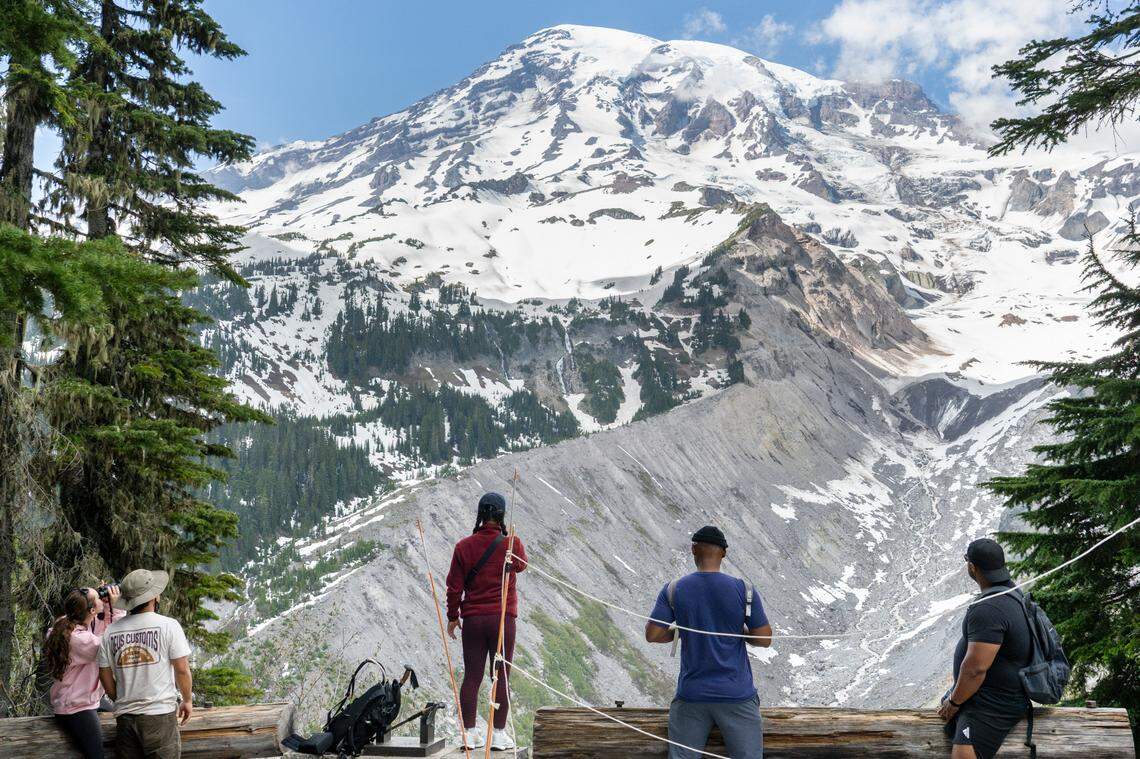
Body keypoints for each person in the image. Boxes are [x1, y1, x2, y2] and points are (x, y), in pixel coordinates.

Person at [646, 526, 772, 759]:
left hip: (692, 695)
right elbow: (764, 639)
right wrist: (739, 631)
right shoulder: (744, 590)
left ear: (693, 549)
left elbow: (653, 635)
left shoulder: (674, 589)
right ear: (724, 553)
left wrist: (682, 630)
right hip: (736, 694)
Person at [445, 492, 528, 751]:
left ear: (480, 515)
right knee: (500, 676)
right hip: (502, 619)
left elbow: (454, 587)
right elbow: (522, 566)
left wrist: (452, 617)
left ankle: (469, 734)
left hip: (472, 620)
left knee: (472, 676)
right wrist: (509, 544)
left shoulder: (463, 546)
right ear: (502, 516)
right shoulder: (511, 544)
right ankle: (499, 735)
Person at [937, 538, 1032, 759]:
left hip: (994, 704)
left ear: (972, 567)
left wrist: (954, 702)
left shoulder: (989, 607)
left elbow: (975, 669)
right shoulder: (1010, 593)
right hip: (1002, 694)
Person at [98, 569, 193, 759]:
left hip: (125, 718)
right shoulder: (168, 625)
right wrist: (187, 700)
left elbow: (105, 676)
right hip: (159, 716)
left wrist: (122, 698)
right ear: (154, 597)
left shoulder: (110, 631)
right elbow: (181, 670)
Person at [45, 584, 124, 758]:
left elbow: (100, 631)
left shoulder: (65, 625)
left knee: (118, 715)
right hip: (77, 708)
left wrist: (105, 608)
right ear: (92, 610)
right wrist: (117, 609)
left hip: (74, 700)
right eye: (98, 597)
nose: (102, 597)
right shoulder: (80, 640)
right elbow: (114, 642)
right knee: (96, 756)